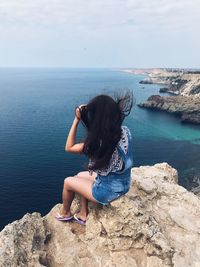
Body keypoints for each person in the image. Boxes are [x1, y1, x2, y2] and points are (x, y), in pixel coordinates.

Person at [55, 91, 134, 225]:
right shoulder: (125, 131)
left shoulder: (96, 143)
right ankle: (83, 213)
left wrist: (77, 119)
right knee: (80, 175)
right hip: (123, 184)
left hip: (107, 191)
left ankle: (65, 213)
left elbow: (69, 147)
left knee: (68, 182)